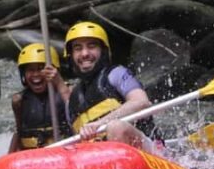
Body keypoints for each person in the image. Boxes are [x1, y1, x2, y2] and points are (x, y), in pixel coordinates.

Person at [65, 21, 156, 152]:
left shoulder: (116, 74)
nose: (84, 53)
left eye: (91, 46)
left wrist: (100, 124)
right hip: (102, 159)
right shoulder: (72, 101)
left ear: (103, 51)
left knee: (116, 127)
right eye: (78, 48)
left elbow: (142, 102)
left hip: (147, 151)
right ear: (71, 56)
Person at [9, 43, 72, 152]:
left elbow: (77, 120)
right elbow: (19, 131)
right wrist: (9, 156)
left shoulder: (67, 91)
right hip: (33, 155)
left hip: (62, 151)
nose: (36, 74)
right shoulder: (18, 100)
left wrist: (60, 83)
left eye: (41, 68)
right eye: (30, 70)